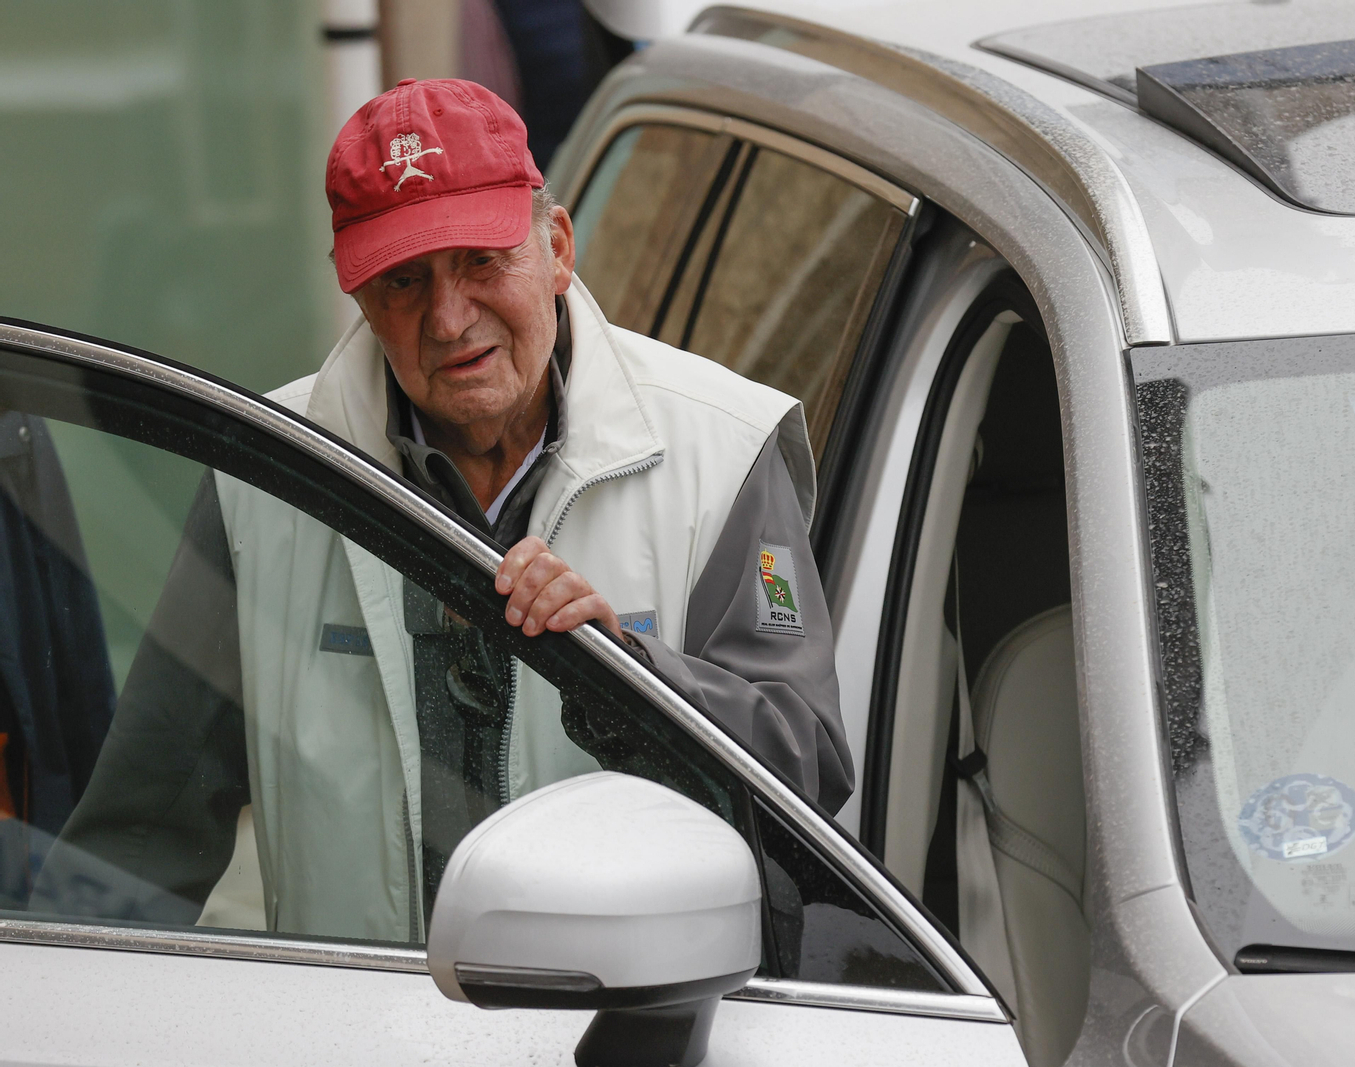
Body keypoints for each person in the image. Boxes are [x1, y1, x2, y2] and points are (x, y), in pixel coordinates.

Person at [35, 79, 850, 938]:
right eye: (404, 282)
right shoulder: (261, 478)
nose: (450, 318)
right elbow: (139, 834)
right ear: (357, 297)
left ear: (559, 248)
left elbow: (805, 778)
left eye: (482, 262)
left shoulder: (723, 449)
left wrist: (630, 681)